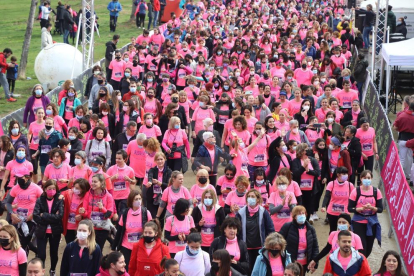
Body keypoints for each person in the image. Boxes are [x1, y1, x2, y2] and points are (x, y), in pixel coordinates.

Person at [4, 168, 42, 255]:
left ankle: (35, 256)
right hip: (19, 220)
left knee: (23, 243)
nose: (18, 179)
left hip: (32, 220)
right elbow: (8, 203)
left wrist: (33, 214)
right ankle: (36, 254)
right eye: (17, 177)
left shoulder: (36, 188)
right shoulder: (15, 188)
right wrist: (12, 214)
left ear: (27, 177)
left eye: (20, 177)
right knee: (20, 243)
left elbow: (43, 204)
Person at [236, 189, 275, 272]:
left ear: (258, 199)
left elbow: (270, 229)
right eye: (249, 196)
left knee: (259, 270)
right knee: (248, 270)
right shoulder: (240, 213)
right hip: (246, 248)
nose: (250, 198)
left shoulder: (264, 212)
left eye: (253, 196)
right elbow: (236, 230)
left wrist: (269, 244)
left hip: (260, 248)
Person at [112, 188, 152, 266]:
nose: (138, 201)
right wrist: (113, 248)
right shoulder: (125, 213)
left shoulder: (146, 213)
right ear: (131, 201)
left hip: (141, 246)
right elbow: (119, 232)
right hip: (126, 247)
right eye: (136, 199)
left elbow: (152, 230)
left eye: (140, 199)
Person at [348, 170, 383, 258]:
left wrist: (371, 208)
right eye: (364, 178)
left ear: (371, 179)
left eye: (368, 178)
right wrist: (360, 209)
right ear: (361, 179)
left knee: (369, 247)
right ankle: (360, 265)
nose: (366, 180)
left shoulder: (376, 191)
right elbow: (349, 208)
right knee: (361, 247)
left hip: (372, 222)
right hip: (359, 222)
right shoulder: (355, 191)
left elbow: (380, 209)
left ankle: (361, 262)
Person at [33, 179, 64, 276]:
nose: (52, 190)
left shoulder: (59, 200)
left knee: (54, 253)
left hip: (55, 231)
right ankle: (41, 271)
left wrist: (44, 215)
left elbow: (60, 216)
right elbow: (36, 216)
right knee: (41, 254)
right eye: (49, 188)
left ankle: (53, 270)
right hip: (42, 231)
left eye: (54, 188)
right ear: (45, 189)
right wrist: (52, 217)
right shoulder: (40, 200)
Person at [279, 206, 319, 270]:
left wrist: (315, 263)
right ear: (294, 216)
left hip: (304, 264)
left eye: (303, 213)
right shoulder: (287, 227)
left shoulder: (310, 229)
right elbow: (279, 242)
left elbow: (315, 247)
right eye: (299, 214)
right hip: (290, 263)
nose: (302, 215)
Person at [83, 173, 115, 251]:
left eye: (95, 182)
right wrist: (83, 212)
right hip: (90, 228)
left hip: (102, 229)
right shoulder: (88, 194)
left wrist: (103, 208)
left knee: (98, 250)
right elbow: (85, 212)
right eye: (92, 181)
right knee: (88, 250)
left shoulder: (108, 196)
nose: (93, 183)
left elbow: (110, 215)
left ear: (102, 183)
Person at [291, 143, 321, 222]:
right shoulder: (295, 161)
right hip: (300, 190)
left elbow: (317, 172)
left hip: (311, 190)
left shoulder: (313, 160)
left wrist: (308, 171)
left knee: (309, 207)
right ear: (301, 151)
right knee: (300, 207)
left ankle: (307, 221)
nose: (308, 151)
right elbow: (295, 174)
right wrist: (303, 167)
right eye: (305, 149)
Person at [321, 167, 355, 233]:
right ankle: (331, 243)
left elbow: (354, 197)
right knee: (333, 230)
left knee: (345, 231)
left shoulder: (350, 185)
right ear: (338, 174)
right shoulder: (331, 184)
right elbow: (327, 196)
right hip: (332, 212)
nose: (346, 175)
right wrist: (323, 206)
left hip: (345, 212)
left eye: (346, 173)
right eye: (344, 173)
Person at [107, 149, 137, 216]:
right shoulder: (111, 169)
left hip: (125, 197)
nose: (117, 160)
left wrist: (129, 180)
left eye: (119, 158)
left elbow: (134, 182)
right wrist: (112, 178)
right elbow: (105, 182)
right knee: (114, 216)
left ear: (125, 159)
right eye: (116, 158)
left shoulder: (130, 170)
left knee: (122, 216)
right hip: (113, 197)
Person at [62, 178, 90, 244]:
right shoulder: (69, 193)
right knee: (70, 245)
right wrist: (61, 196)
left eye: (77, 188)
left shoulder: (88, 197)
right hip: (68, 225)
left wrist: (82, 215)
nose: (75, 189)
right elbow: (62, 194)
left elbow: (89, 212)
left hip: (81, 226)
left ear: (83, 189)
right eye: (74, 187)